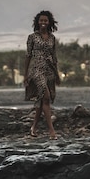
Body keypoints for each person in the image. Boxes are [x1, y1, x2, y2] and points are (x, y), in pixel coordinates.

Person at [23, 10, 61, 140]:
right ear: (37, 22)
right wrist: (25, 75)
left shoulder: (52, 38)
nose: (43, 22)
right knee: (46, 96)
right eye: (41, 20)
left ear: (49, 22)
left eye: (45, 20)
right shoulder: (32, 37)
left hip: (49, 71)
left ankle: (33, 127)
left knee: (42, 100)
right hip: (36, 70)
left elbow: (54, 58)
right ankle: (51, 131)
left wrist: (57, 75)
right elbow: (28, 56)